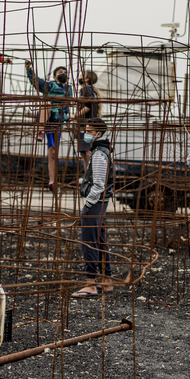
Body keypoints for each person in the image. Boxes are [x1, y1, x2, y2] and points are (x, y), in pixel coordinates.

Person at [71, 118, 115, 298]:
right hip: (101, 202)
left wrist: (87, 205)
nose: (85, 134)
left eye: (89, 131)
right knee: (100, 239)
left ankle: (91, 284)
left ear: (98, 134)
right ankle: (107, 280)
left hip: (96, 202)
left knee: (89, 240)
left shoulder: (98, 154)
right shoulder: (101, 150)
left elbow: (98, 185)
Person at [25, 60, 74, 193]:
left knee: (53, 152)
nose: (63, 74)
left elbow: (69, 105)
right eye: (60, 72)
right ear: (54, 76)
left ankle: (52, 182)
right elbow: (37, 83)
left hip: (59, 121)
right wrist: (29, 70)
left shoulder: (69, 89)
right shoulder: (51, 85)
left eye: (64, 72)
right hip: (47, 119)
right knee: (46, 103)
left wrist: (69, 116)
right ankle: (40, 131)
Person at [70, 70, 101, 169]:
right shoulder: (91, 90)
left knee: (87, 152)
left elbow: (88, 106)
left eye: (82, 75)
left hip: (85, 124)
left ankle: (90, 175)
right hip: (87, 123)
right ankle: (88, 175)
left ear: (87, 79)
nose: (80, 77)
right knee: (84, 151)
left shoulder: (86, 89)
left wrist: (75, 116)